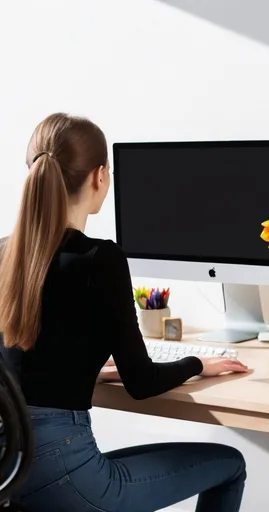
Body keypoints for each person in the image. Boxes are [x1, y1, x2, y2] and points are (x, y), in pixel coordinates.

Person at [0, 113, 248, 512]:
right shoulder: (101, 259)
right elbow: (142, 382)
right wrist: (197, 363)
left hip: (10, 471)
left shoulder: (5, 254)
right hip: (65, 474)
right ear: (100, 176)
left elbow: (20, 362)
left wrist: (89, 371)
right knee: (229, 464)